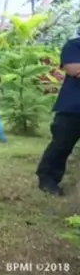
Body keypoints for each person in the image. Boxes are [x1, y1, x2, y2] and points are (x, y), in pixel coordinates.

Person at [36, 37, 80, 196]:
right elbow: (74, 70)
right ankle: (48, 180)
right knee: (61, 146)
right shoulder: (75, 45)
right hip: (74, 107)